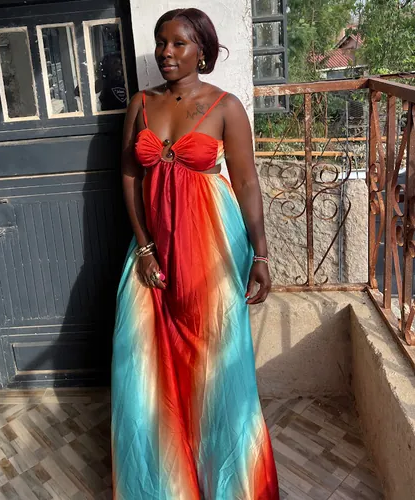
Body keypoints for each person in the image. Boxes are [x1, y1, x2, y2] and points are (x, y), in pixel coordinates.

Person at [111, 8, 279, 499]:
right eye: (161, 42)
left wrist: (261, 256)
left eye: (178, 43)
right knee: (142, 361)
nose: (165, 52)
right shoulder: (141, 104)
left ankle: (229, 484)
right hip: (154, 247)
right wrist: (144, 247)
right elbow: (130, 176)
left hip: (212, 247)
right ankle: (166, 484)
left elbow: (246, 182)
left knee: (217, 362)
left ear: (201, 50)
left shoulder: (226, 107)